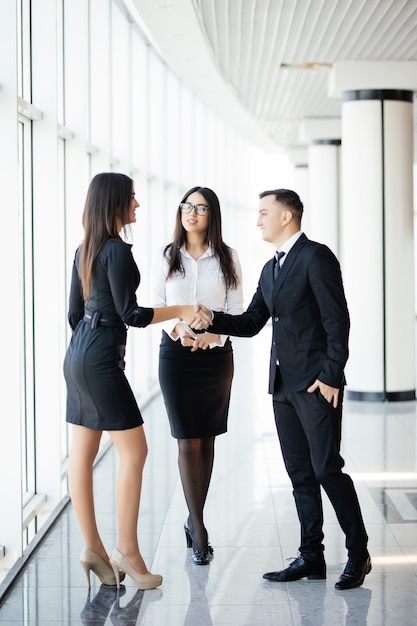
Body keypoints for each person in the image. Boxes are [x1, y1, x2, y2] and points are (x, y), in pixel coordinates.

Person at [191, 189, 371, 589]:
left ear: (287, 217)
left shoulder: (316, 257)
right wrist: (211, 320)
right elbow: (254, 320)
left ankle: (359, 553)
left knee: (327, 469)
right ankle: (311, 556)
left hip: (315, 385)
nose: (257, 220)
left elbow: (337, 321)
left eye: (263, 213)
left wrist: (330, 376)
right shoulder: (271, 269)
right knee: (300, 473)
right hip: (283, 387)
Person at [63, 173, 211, 590]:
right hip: (100, 361)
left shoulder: (84, 250)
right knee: (135, 450)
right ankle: (128, 551)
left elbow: (74, 314)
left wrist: (93, 340)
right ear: (114, 203)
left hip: (77, 355)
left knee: (83, 453)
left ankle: (93, 547)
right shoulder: (117, 252)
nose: (138, 204)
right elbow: (132, 314)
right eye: (131, 197)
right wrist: (182, 308)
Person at [150, 186, 243, 565]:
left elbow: (237, 311)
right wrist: (180, 330)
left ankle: (193, 518)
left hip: (216, 358)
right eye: (187, 206)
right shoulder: (166, 255)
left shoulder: (228, 258)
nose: (192, 213)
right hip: (175, 356)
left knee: (207, 441)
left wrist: (213, 336)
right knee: (187, 441)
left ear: (212, 215)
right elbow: (156, 305)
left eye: (201, 208)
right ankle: (200, 527)